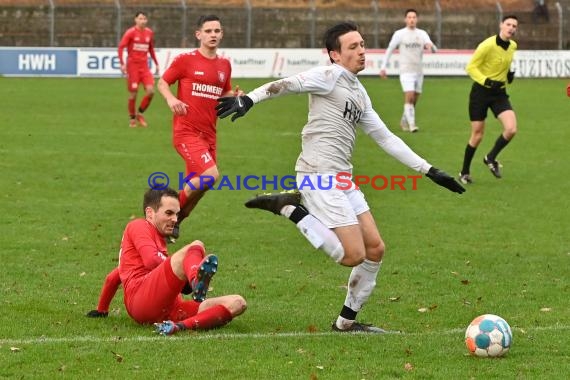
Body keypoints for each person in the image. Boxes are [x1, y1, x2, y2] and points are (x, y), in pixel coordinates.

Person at [216, 21, 465, 333]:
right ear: (334, 54)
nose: (361, 51)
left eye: (362, 44)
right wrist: (249, 99)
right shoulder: (328, 76)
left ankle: (346, 322)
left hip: (343, 179)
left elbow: (386, 138)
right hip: (317, 176)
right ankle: (290, 209)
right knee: (352, 255)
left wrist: (429, 170)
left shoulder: (359, 92)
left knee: (375, 249)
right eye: (353, 47)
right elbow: (287, 83)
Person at [86, 187, 246, 335]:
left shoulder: (156, 242)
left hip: (169, 309)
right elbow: (151, 260)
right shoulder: (139, 226)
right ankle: (195, 279)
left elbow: (113, 278)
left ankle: (179, 326)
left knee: (237, 303)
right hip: (141, 300)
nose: (175, 219)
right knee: (196, 246)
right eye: (169, 213)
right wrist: (182, 274)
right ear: (150, 213)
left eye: (177, 214)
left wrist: (102, 310)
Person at [157, 14, 240, 241]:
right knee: (210, 175)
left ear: (221, 34)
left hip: (210, 135)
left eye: (217, 31)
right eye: (209, 31)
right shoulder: (185, 60)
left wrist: (235, 97)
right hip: (186, 131)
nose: (213, 34)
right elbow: (162, 82)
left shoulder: (224, 65)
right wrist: (171, 100)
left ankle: (173, 226)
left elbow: (225, 93)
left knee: (198, 190)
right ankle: (161, 221)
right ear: (199, 35)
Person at [458, 15, 518, 185]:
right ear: (501, 25)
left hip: (499, 93)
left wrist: (508, 75)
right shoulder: (487, 45)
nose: (511, 28)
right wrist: (485, 80)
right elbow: (470, 67)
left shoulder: (513, 46)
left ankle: (490, 158)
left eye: (514, 25)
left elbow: (504, 64)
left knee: (511, 129)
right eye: (508, 24)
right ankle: (464, 172)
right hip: (480, 93)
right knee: (477, 135)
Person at [379, 8, 437, 133]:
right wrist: (383, 67)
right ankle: (412, 125)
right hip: (406, 70)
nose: (412, 19)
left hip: (419, 71)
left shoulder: (422, 34)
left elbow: (433, 48)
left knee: (414, 100)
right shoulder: (399, 34)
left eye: (414, 17)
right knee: (409, 96)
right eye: (409, 17)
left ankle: (404, 120)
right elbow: (390, 49)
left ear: (417, 19)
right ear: (405, 19)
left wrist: (431, 47)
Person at [118, 11, 160, 128]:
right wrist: (122, 63)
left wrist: (156, 63)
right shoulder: (130, 33)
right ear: (135, 20)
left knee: (151, 91)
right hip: (133, 67)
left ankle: (139, 114)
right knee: (133, 94)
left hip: (144, 67)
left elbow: (151, 49)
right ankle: (132, 118)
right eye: (140, 18)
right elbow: (121, 47)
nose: (142, 21)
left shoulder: (149, 33)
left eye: (144, 19)